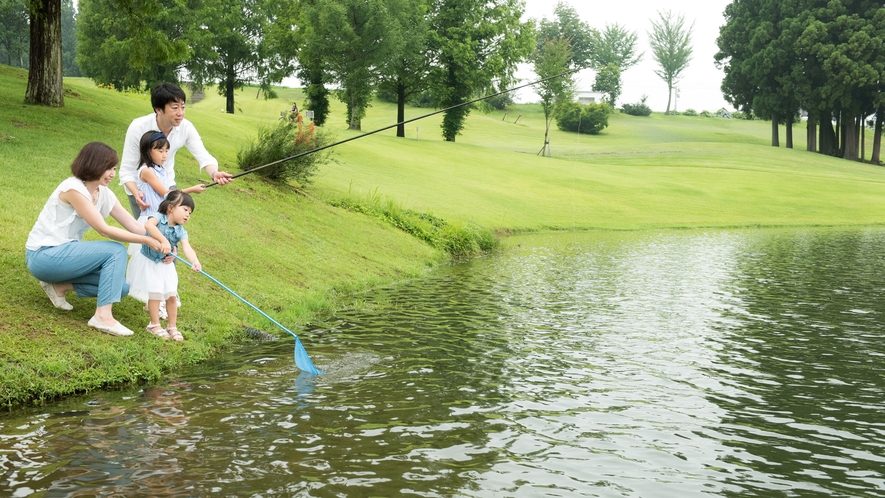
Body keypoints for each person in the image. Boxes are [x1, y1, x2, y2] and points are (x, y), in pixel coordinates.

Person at [25, 142, 165, 337]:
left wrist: (163, 241)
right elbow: (104, 230)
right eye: (109, 168)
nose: (113, 174)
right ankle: (103, 317)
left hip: (64, 255)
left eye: (114, 168)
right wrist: (147, 241)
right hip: (43, 255)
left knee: (121, 287)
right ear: (94, 164)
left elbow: (134, 226)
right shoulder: (73, 189)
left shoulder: (103, 193)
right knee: (115, 250)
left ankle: (58, 286)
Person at [119, 82, 233, 217]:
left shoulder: (186, 127)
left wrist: (214, 173)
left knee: (171, 226)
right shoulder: (138, 127)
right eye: (175, 108)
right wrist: (136, 193)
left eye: (183, 107)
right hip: (141, 190)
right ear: (158, 110)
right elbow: (127, 170)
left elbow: (203, 155)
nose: (180, 113)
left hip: (167, 184)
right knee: (146, 229)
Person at [126, 190, 201, 341]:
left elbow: (187, 247)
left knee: (171, 295)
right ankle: (154, 325)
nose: (188, 215)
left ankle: (172, 326)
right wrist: (164, 241)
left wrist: (195, 261)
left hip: (166, 265)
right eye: (185, 209)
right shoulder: (158, 217)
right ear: (171, 207)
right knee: (156, 294)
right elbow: (149, 226)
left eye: (190, 212)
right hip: (150, 262)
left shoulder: (181, 231)